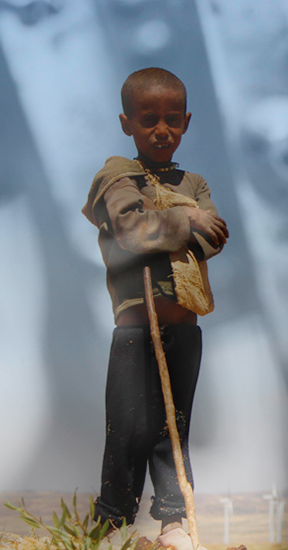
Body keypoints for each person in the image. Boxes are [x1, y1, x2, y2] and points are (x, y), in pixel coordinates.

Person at [82, 68, 228, 550]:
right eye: (149, 120)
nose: (161, 130)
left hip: (184, 329)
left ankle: (173, 526)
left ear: (186, 121)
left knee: (173, 429)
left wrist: (169, 222)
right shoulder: (116, 175)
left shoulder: (196, 181)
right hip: (135, 329)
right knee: (127, 427)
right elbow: (129, 230)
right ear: (127, 123)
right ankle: (112, 525)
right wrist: (185, 217)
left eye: (172, 120)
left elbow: (213, 237)